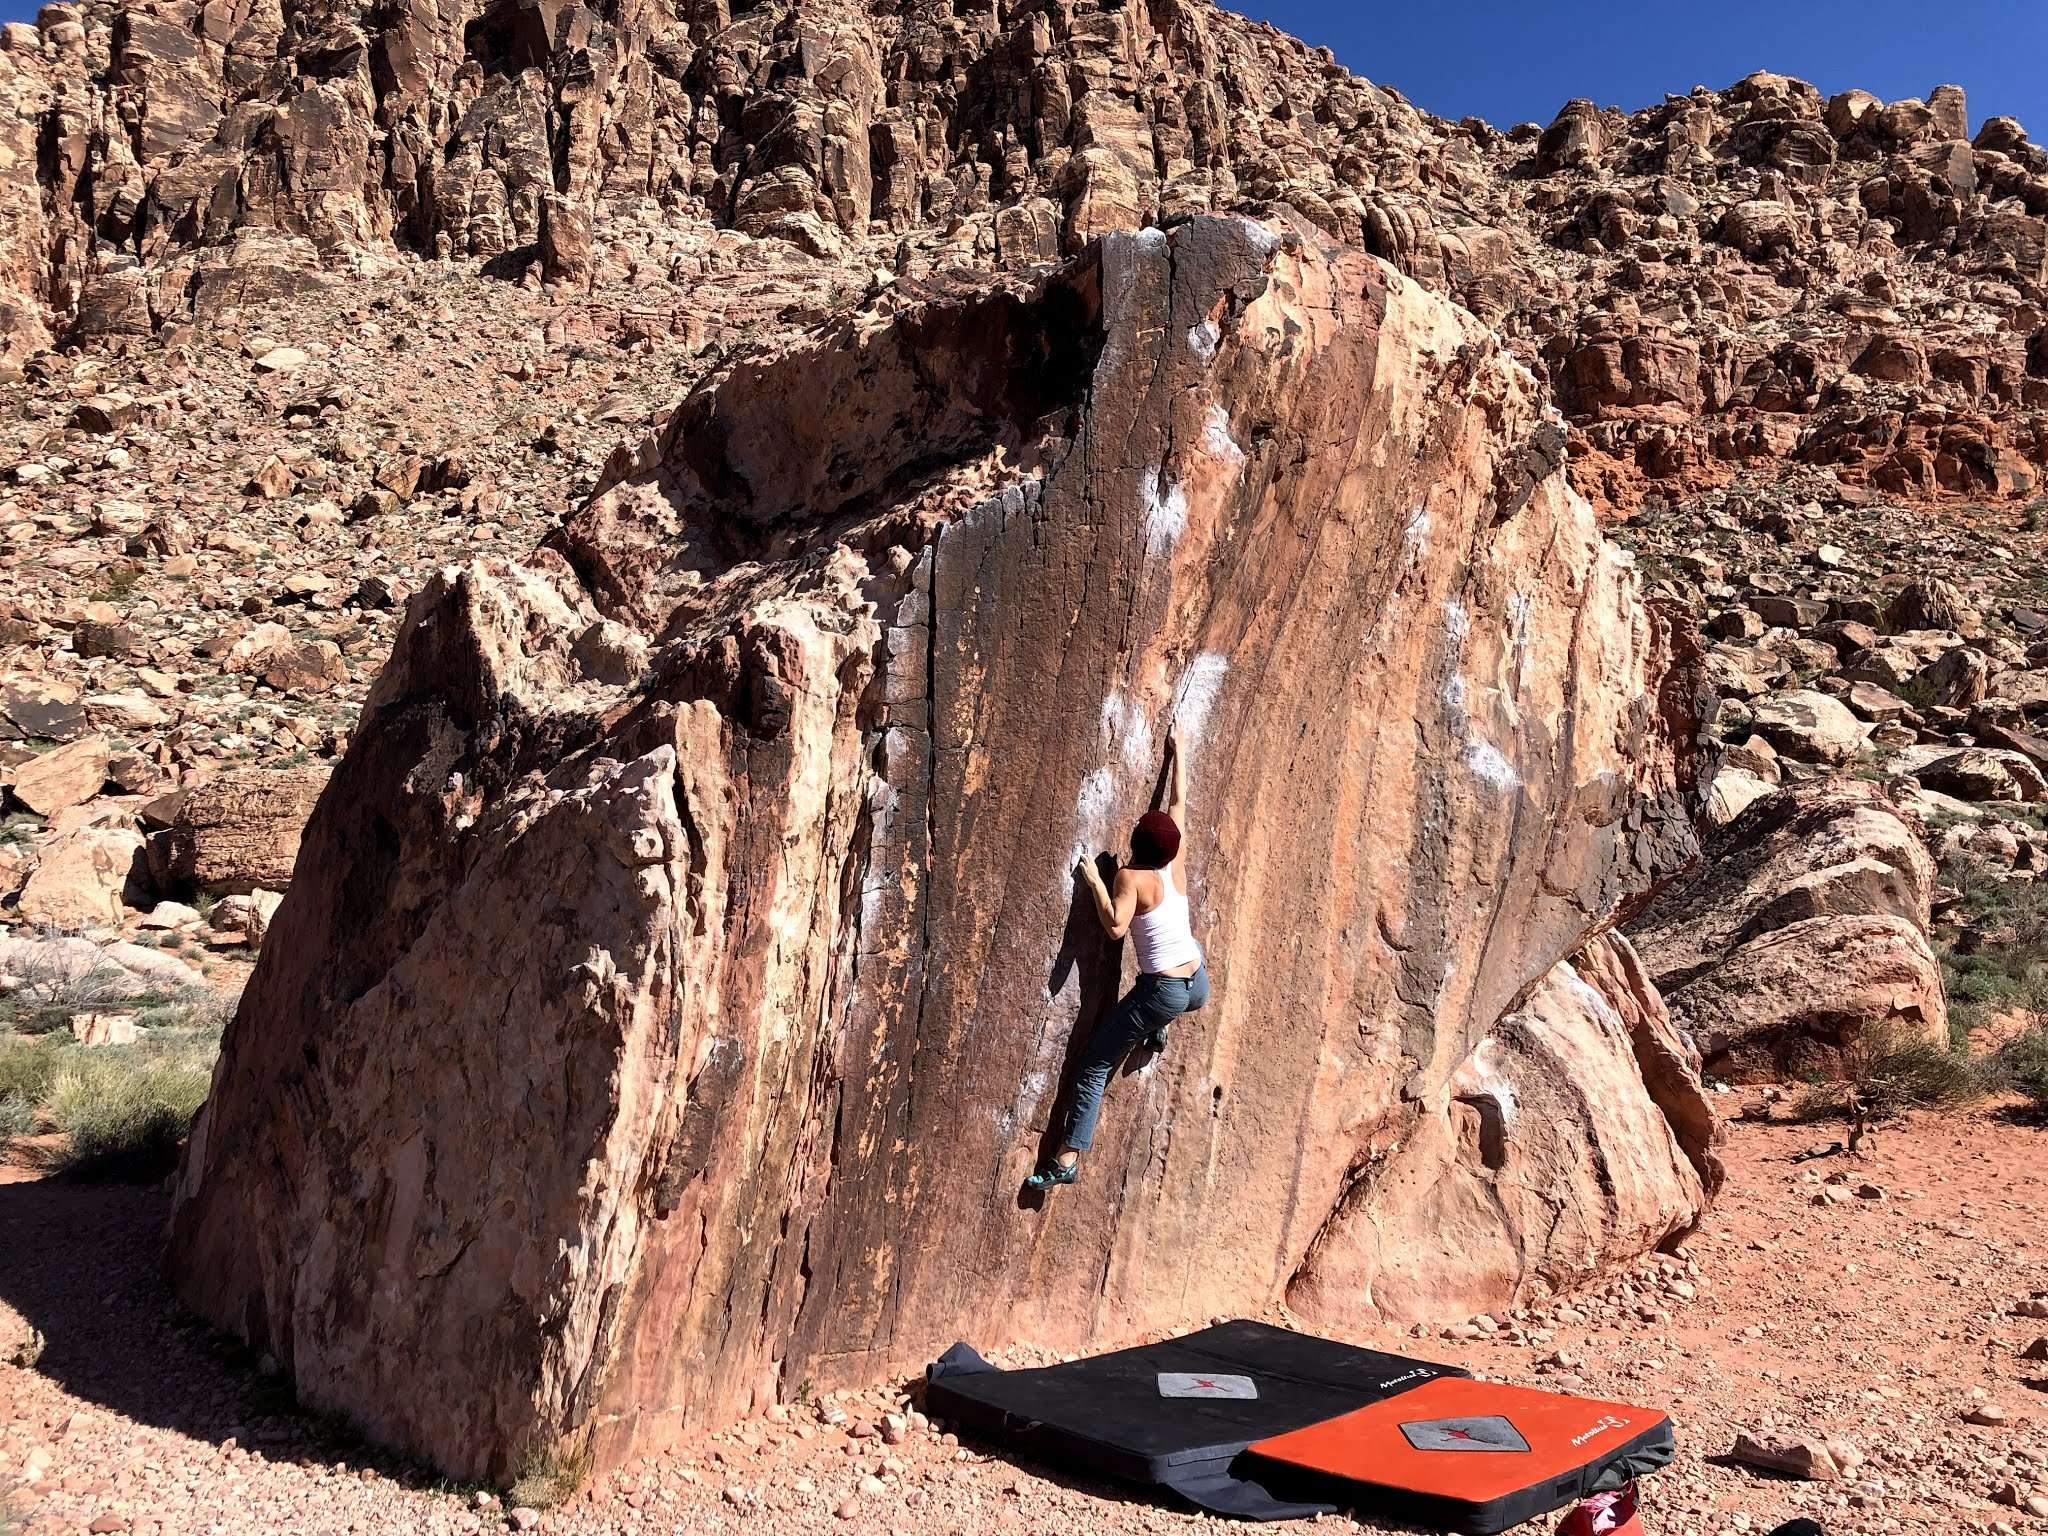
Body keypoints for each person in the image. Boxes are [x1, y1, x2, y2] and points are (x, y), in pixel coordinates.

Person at [1027, 725, 1209, 1192]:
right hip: (1196, 982)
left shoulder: (1131, 878)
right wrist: (1179, 750)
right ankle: (1157, 1024)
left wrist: (1093, 880)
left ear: (1135, 846)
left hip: (1164, 992)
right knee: (1175, 987)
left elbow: (1114, 927)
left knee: (1093, 1064)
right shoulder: (1177, 858)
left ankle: (1066, 1158)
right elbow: (1178, 806)